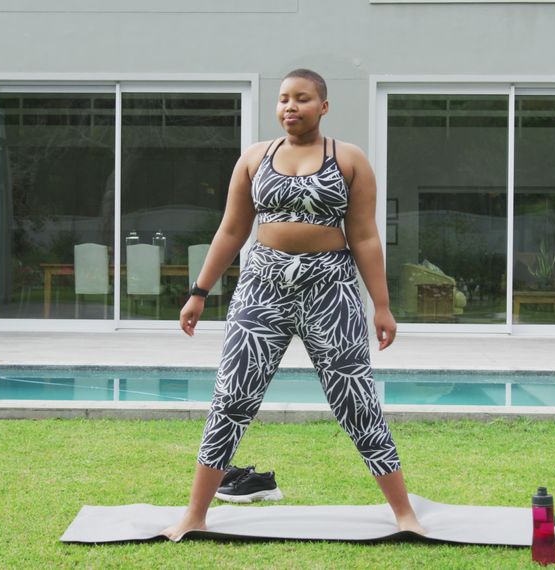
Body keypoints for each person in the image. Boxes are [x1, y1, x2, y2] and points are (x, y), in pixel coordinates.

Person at [161, 68, 424, 540]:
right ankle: (195, 513)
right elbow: (231, 230)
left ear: (323, 106)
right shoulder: (254, 158)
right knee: (232, 395)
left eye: (302, 99)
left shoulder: (349, 159)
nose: (290, 107)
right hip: (261, 288)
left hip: (332, 289)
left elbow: (364, 235)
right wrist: (199, 291)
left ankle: (403, 512)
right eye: (284, 99)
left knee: (356, 400)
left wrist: (381, 306)